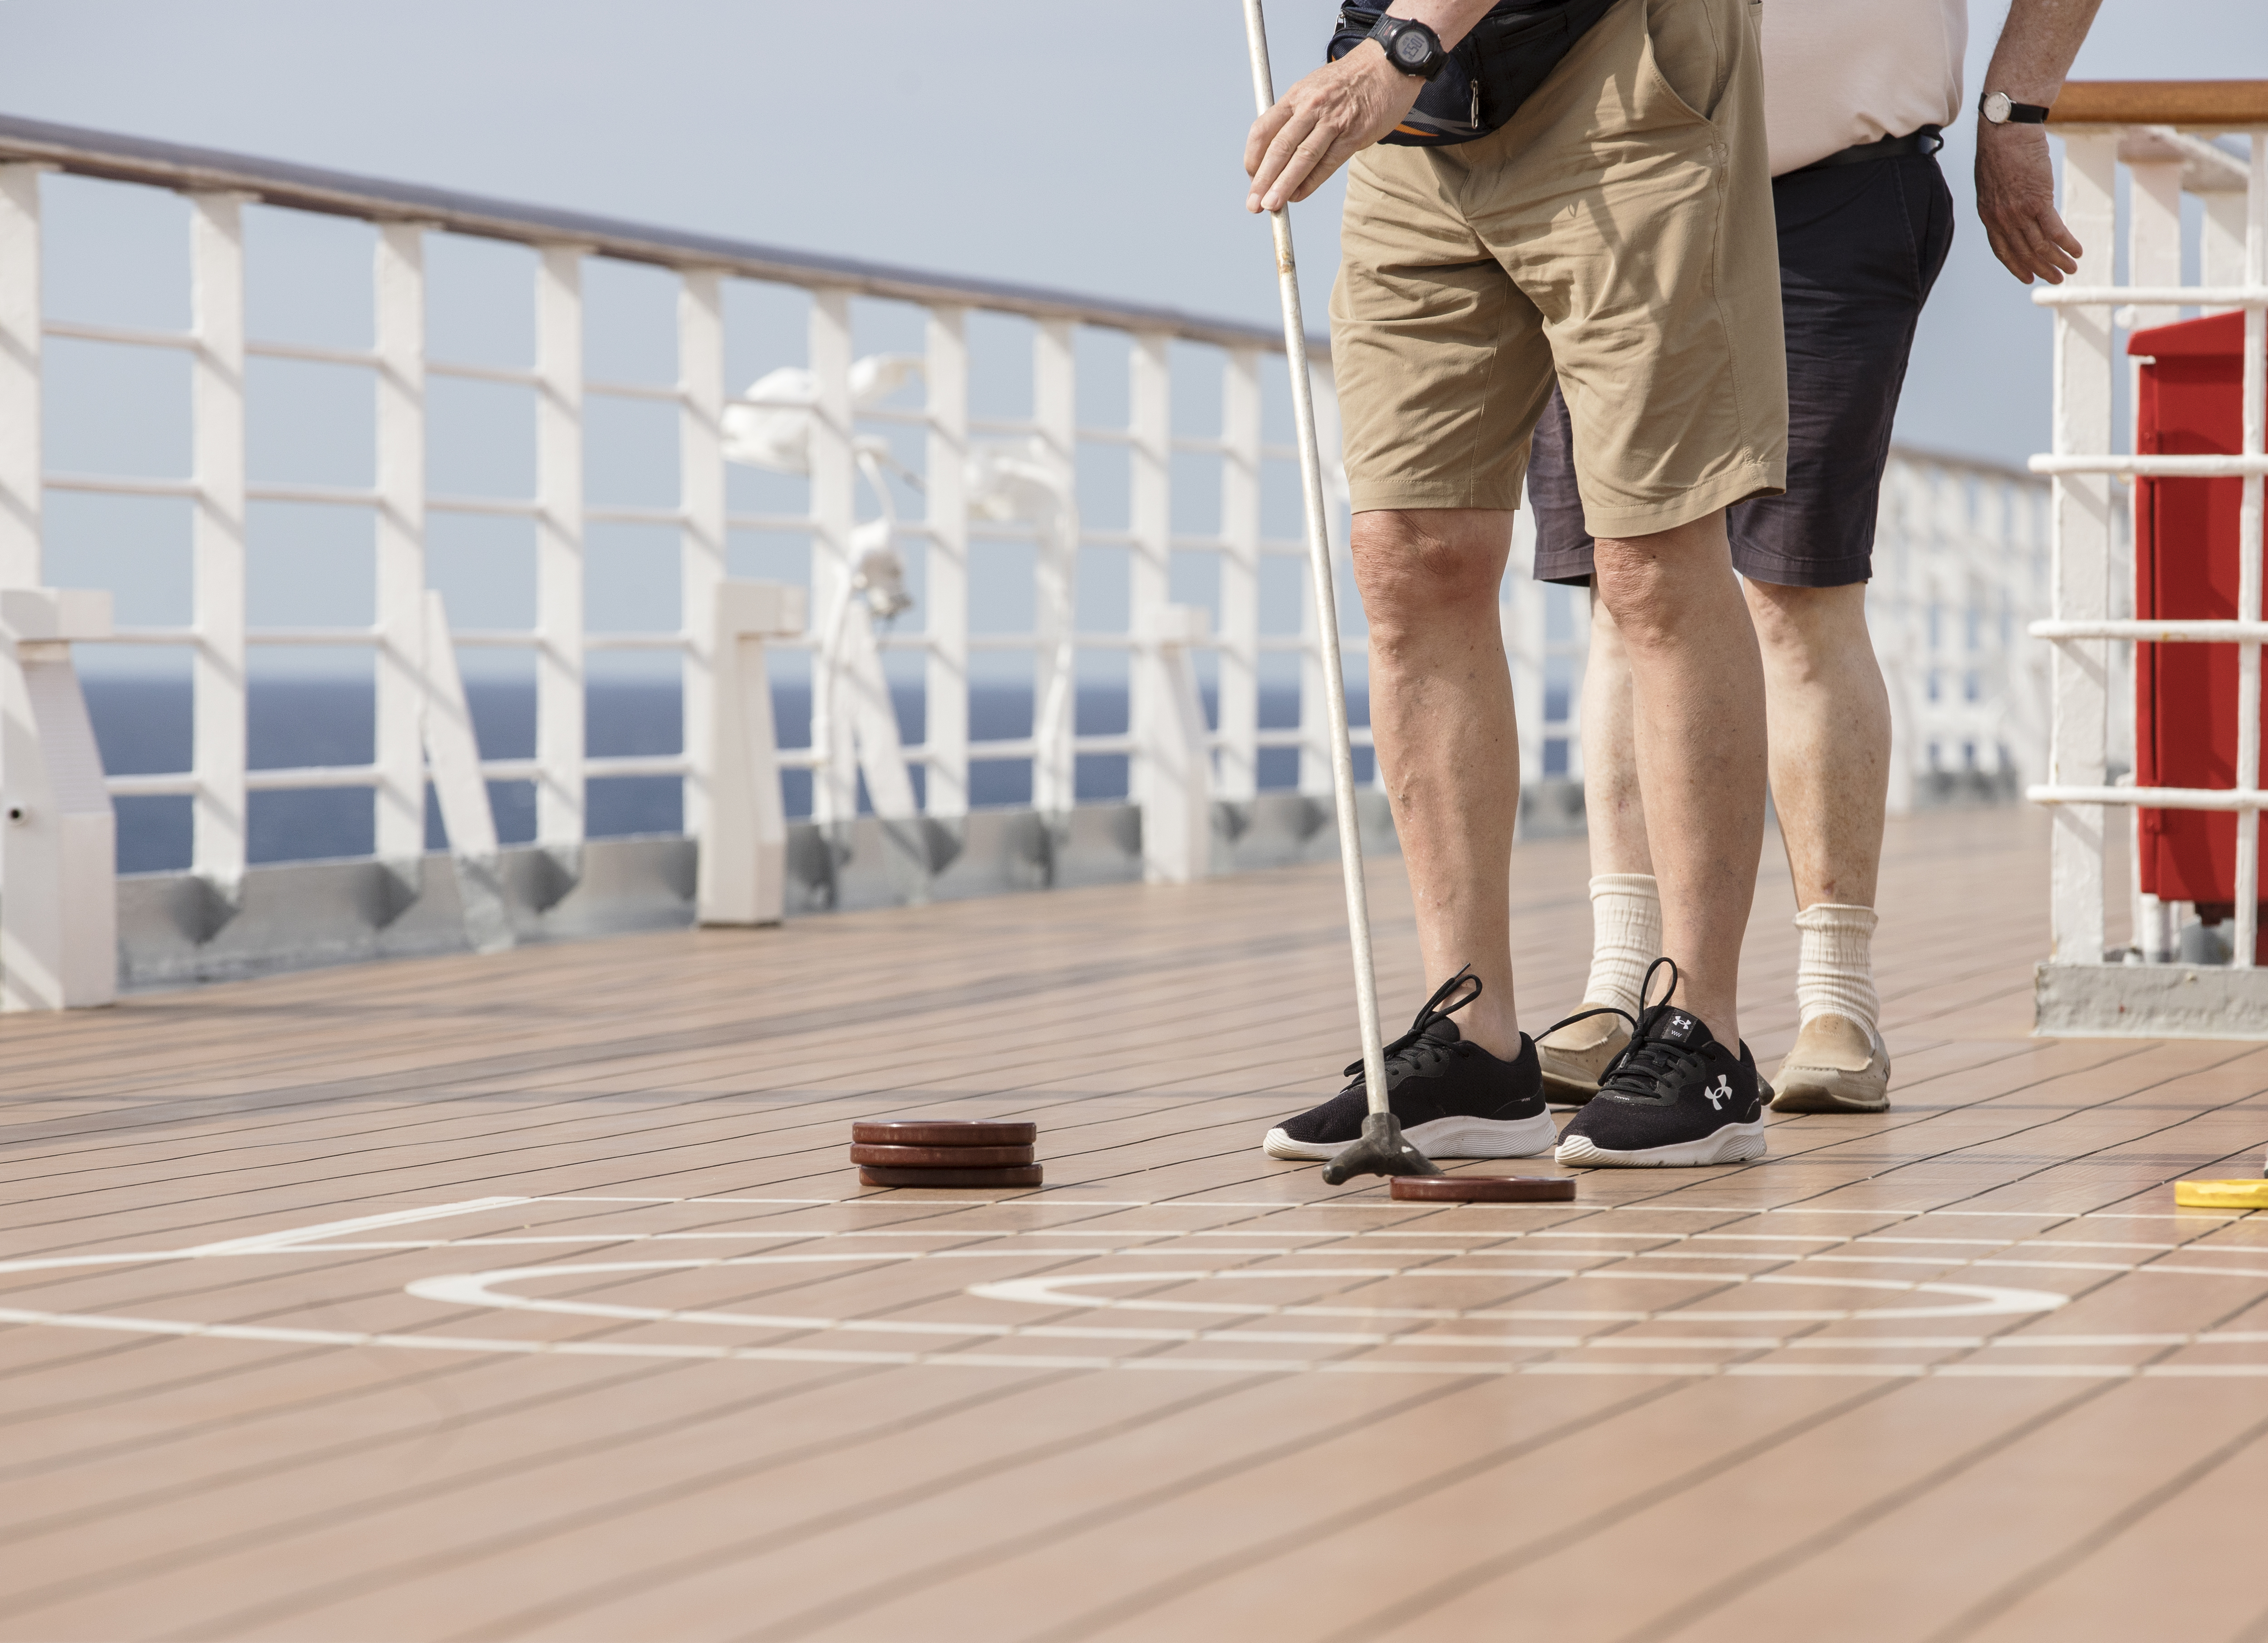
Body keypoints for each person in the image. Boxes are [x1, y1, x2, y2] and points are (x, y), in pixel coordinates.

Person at [1530, 0, 2105, 1117]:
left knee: (1798, 590)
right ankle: (1621, 981)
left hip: (1835, 183)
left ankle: (1840, 1004)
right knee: (1625, 588)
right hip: (1602, 183)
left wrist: (2015, 106)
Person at [1248, 0, 1789, 1168]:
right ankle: (1477, 1043)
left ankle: (1709, 1039)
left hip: (1612, 77)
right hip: (1414, 111)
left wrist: (1400, 48)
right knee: (1410, 552)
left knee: (1650, 556)